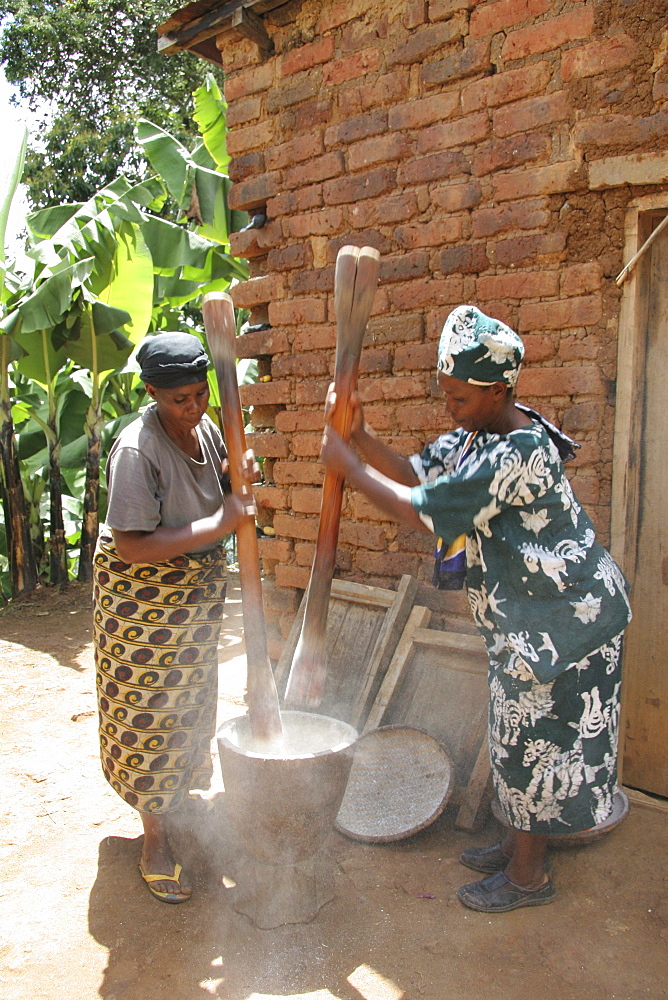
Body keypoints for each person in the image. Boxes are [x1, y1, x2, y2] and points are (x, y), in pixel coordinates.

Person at [320, 304, 631, 913]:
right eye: (445, 394)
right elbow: (416, 473)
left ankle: (527, 876)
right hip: (531, 625)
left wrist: (349, 468)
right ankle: (518, 845)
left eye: (458, 397)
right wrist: (358, 437)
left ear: (498, 390)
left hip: (570, 624)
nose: (448, 407)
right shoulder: (476, 434)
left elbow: (427, 511)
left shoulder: (519, 450)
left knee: (543, 747)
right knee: (515, 736)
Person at [93, 331, 257, 904]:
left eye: (199, 393)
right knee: (148, 713)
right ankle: (155, 840)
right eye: (177, 400)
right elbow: (134, 545)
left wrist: (242, 475)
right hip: (141, 603)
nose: (192, 408)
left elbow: (221, 492)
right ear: (150, 394)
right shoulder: (137, 450)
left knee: (189, 701)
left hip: (189, 597)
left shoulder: (207, 431)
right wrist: (223, 523)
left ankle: (178, 805)